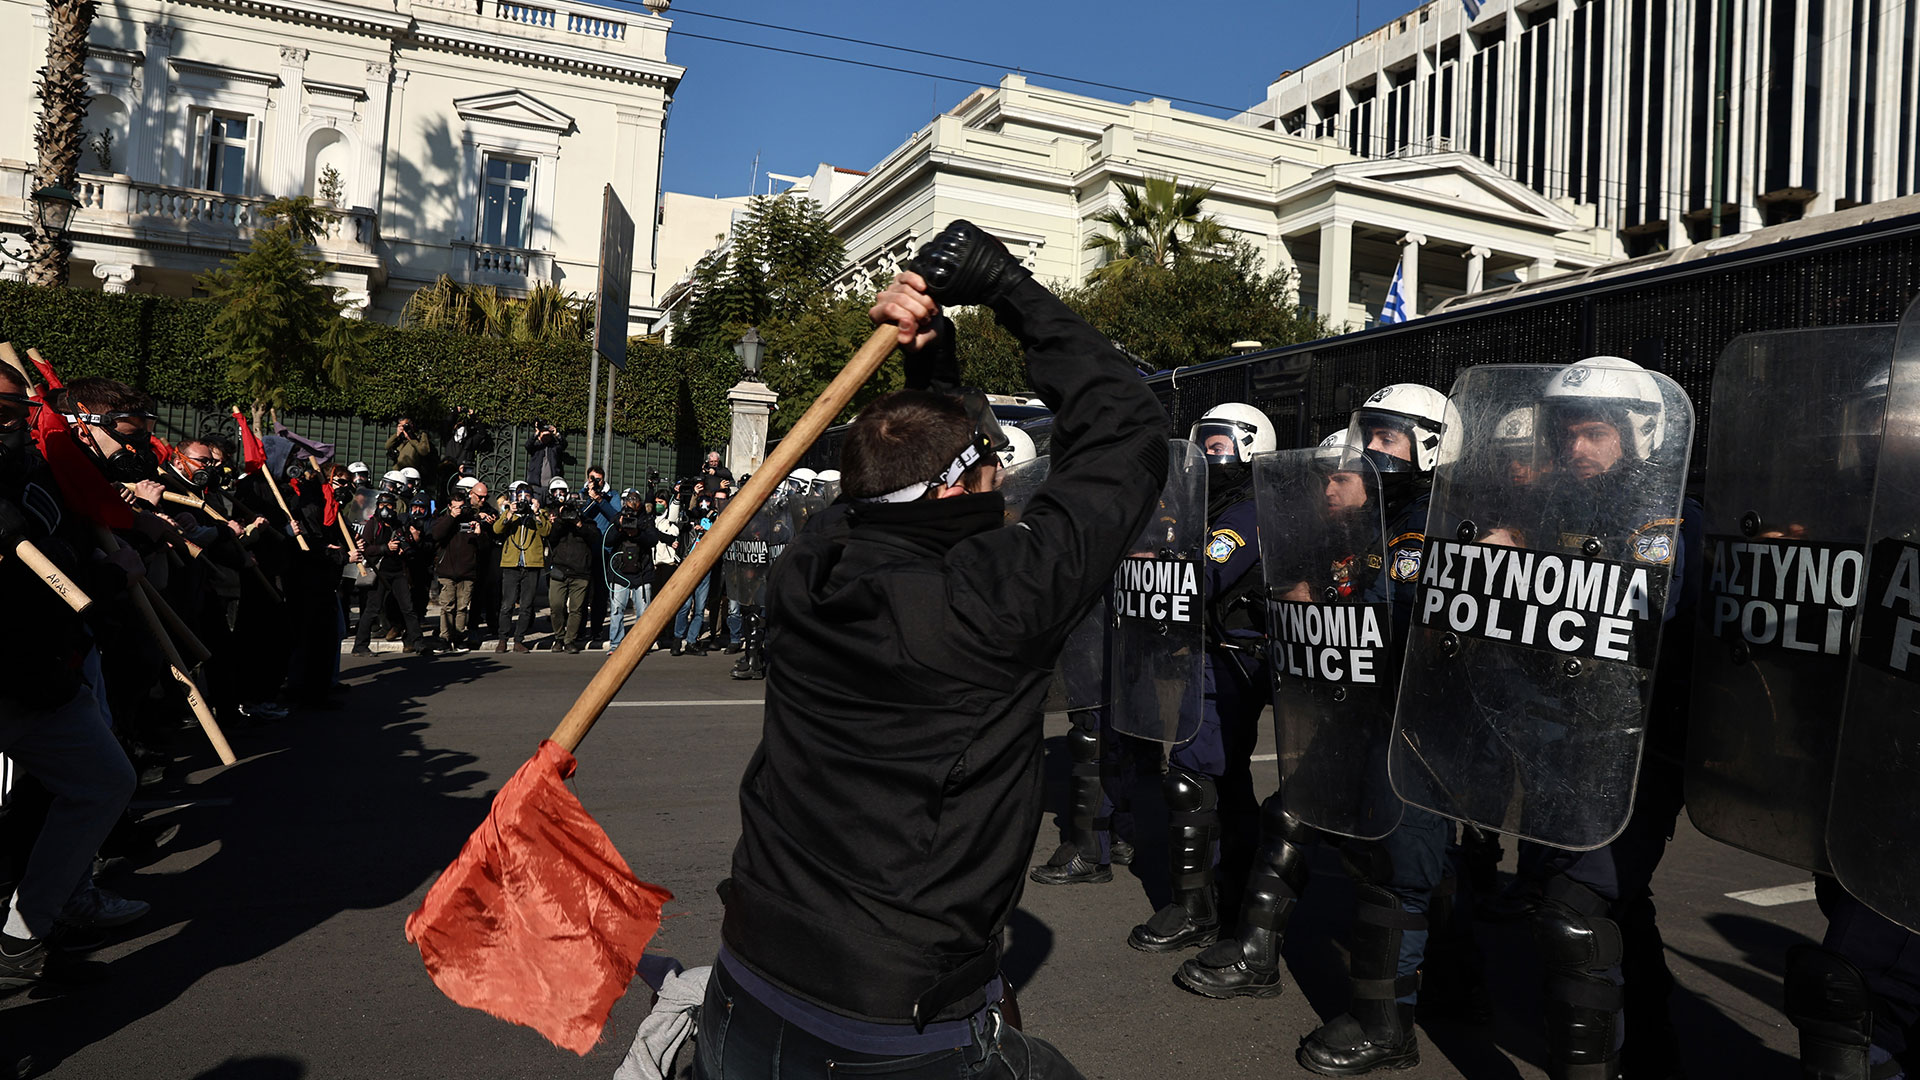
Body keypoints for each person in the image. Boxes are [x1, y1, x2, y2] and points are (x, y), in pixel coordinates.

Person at [695, 220, 1168, 1080]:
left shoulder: (810, 567)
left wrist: (931, 358)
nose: (1000, 473)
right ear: (962, 484)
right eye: (988, 457)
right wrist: (1007, 285)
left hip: (745, 984)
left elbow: (898, 492)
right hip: (881, 1033)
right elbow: (1128, 426)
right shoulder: (996, 599)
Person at [0, 363, 146, 987]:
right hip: (23, 666)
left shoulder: (39, 473)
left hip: (38, 671)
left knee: (103, 780)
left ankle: (23, 930)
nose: (6, 426)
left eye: (13, 413)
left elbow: (60, 568)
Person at [1122, 403, 1272, 956]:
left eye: (1218, 444)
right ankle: (1234, 890)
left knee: (1191, 774)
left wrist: (1154, 561)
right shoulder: (1202, 508)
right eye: (1201, 444)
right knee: (1226, 780)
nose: (1207, 455)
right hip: (1208, 653)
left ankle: (1196, 908)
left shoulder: (1246, 514)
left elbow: (1203, 575)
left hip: (1234, 658)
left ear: (1249, 446)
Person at [350, 491, 424, 655]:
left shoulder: (398, 524)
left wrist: (405, 547)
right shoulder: (373, 524)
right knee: (372, 610)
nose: (385, 509)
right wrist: (385, 548)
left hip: (398, 572)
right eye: (382, 505)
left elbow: (405, 543)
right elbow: (366, 548)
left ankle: (417, 642)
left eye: (389, 505)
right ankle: (360, 645)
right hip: (379, 572)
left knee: (408, 608)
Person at [492, 482, 551, 653]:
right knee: (507, 604)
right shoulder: (511, 513)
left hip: (531, 564)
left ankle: (519, 639)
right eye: (520, 497)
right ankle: (502, 639)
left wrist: (537, 513)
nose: (523, 500)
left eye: (527, 496)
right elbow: (497, 529)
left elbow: (546, 531)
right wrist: (510, 512)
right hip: (511, 564)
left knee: (526, 605)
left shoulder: (539, 513)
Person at [430, 477, 487, 652]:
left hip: (467, 571)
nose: (460, 510)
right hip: (447, 570)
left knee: (462, 607)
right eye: (456, 507)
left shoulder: (472, 518)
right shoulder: (443, 519)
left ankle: (459, 636)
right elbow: (436, 535)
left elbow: (483, 547)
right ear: (450, 507)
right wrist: (451, 517)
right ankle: (445, 638)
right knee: (447, 606)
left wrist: (479, 533)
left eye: (462, 506)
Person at [605, 492, 660, 651]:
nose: (631, 514)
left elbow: (652, 540)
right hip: (619, 573)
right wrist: (620, 527)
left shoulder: (646, 519)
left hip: (642, 572)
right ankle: (616, 645)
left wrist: (637, 533)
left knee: (643, 612)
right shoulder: (618, 517)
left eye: (634, 509)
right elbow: (608, 540)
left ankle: (640, 644)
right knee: (617, 611)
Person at [544, 493, 596, 653]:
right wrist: (560, 520)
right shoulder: (560, 525)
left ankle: (569, 640)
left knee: (577, 609)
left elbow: (595, 537)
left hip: (580, 573)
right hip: (560, 571)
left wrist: (579, 524)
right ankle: (559, 637)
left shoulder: (588, 523)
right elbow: (551, 538)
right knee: (556, 605)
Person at [525, 421, 565, 491]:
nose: (546, 438)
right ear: (539, 437)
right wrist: (536, 433)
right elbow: (527, 445)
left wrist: (557, 434)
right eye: (544, 436)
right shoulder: (536, 448)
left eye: (548, 436)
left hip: (552, 486)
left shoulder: (554, 448)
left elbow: (564, 444)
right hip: (536, 485)